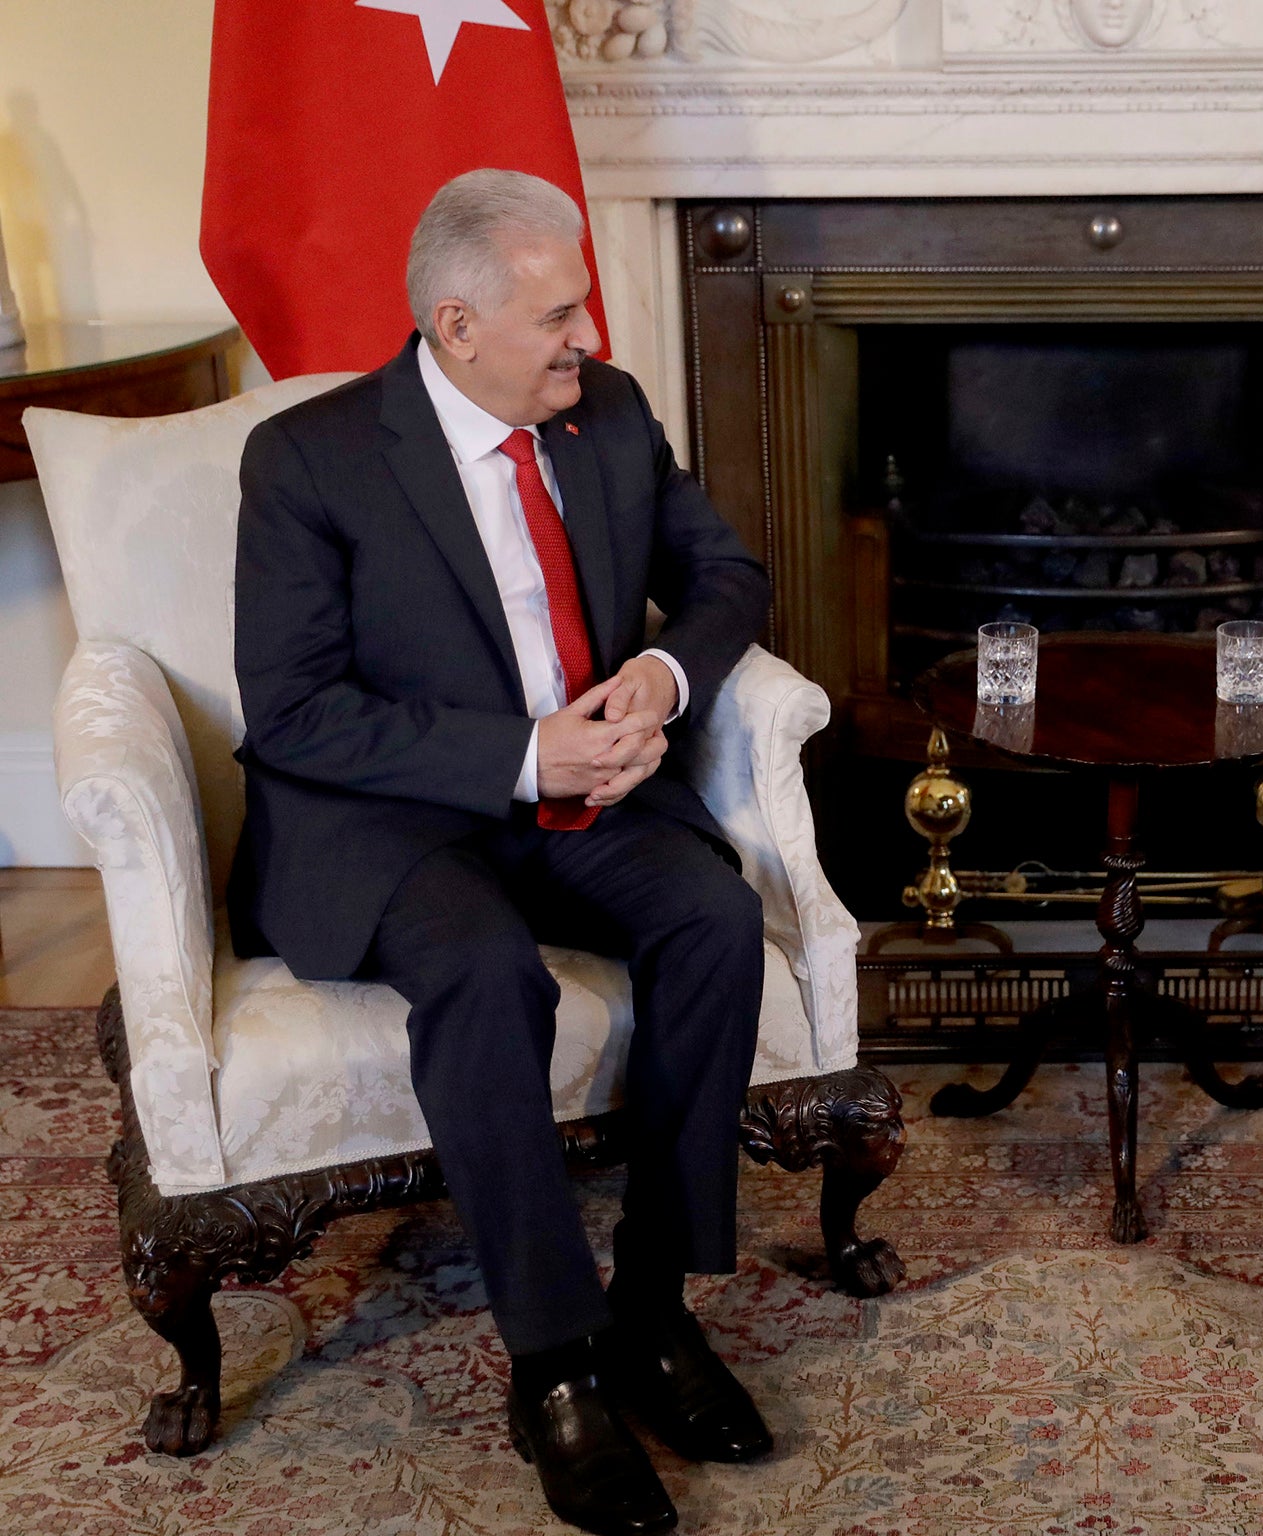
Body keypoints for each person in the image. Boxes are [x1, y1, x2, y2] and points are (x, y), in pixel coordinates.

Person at [229, 168, 774, 1536]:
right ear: (458, 326)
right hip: (397, 817)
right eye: (560, 311)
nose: (587, 334)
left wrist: (657, 674)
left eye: (582, 305)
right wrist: (525, 755)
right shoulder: (311, 459)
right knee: (485, 974)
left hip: (588, 799)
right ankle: (558, 1367)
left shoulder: (613, 414)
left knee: (714, 920)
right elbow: (292, 712)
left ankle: (652, 1313)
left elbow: (729, 580)